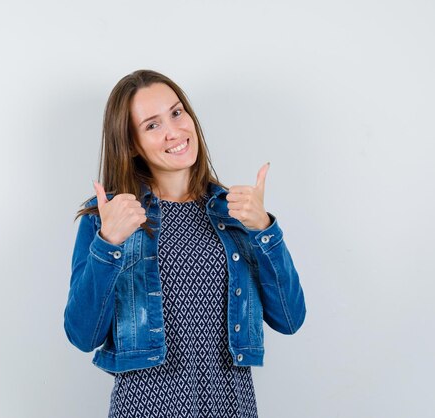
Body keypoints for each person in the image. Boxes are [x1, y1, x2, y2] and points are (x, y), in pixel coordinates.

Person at [63, 69, 306, 418]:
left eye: (176, 113)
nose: (173, 131)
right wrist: (109, 242)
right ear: (131, 143)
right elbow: (83, 335)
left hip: (231, 407)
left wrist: (264, 229)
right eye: (152, 125)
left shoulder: (236, 212)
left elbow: (289, 318)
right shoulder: (109, 217)